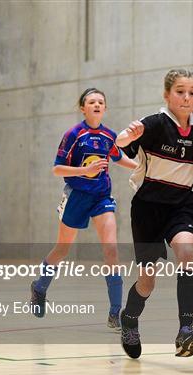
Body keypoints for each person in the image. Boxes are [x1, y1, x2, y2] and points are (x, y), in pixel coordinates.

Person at [116, 69, 193, 359]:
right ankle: (130, 319)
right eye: (180, 91)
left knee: (187, 251)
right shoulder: (155, 123)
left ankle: (186, 330)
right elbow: (121, 144)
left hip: (181, 204)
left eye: (192, 92)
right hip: (148, 207)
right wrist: (125, 137)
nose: (186, 97)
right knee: (148, 280)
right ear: (167, 95)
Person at [29, 88, 137, 330]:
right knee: (63, 249)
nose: (97, 105)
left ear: (105, 108)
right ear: (83, 107)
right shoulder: (74, 134)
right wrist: (83, 171)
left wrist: (141, 169)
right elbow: (57, 169)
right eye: (91, 101)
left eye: (101, 101)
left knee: (111, 250)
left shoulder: (110, 135)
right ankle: (39, 286)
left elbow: (118, 157)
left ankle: (114, 313)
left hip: (101, 197)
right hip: (77, 196)